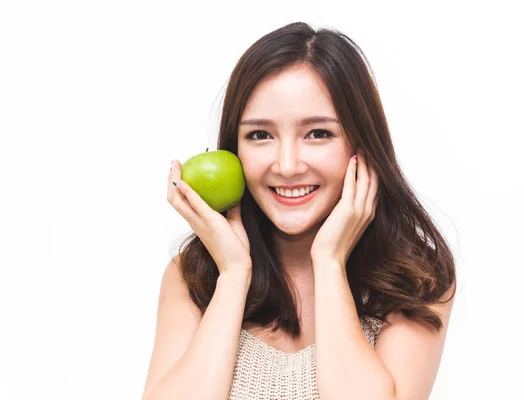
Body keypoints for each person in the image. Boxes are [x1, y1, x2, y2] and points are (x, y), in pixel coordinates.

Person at [142, 22, 456, 400]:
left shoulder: (414, 279)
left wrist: (329, 261)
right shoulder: (195, 274)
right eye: (260, 135)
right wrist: (233, 275)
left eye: (318, 133)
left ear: (361, 144)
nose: (287, 165)